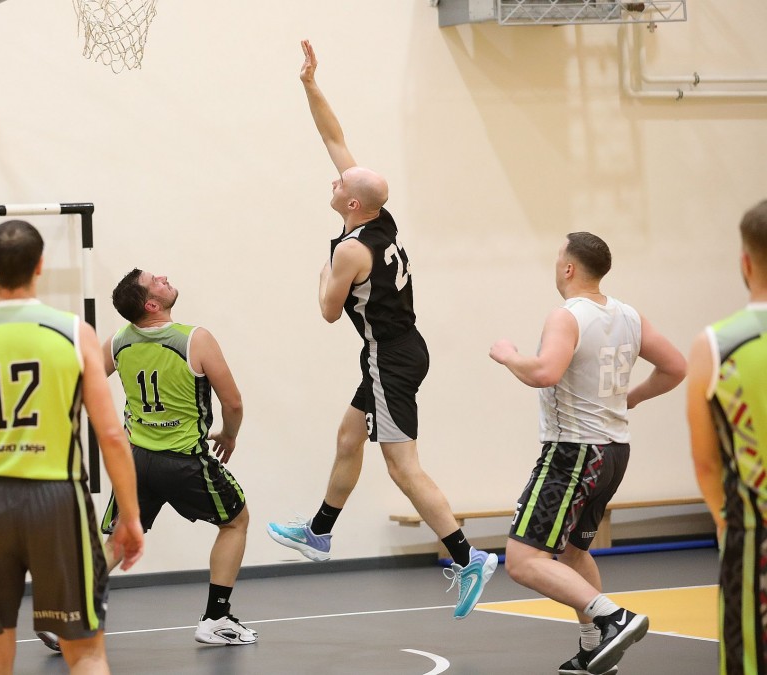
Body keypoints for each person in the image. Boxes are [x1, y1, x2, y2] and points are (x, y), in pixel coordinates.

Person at [265, 40, 499, 621]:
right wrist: (310, 84)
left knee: (402, 466)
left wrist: (323, 268)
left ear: (351, 202)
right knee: (350, 437)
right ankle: (319, 531)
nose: (332, 182)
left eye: (338, 185)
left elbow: (327, 312)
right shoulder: (378, 215)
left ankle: (469, 557)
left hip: (388, 357)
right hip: (399, 348)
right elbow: (335, 138)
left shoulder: (350, 250)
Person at [0, 220, 144, 675]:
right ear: (40, 265)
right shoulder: (74, 333)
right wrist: (130, 516)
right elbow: (110, 435)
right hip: (58, 498)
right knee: (86, 653)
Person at [490, 232, 686, 675]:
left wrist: (508, 355)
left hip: (573, 453)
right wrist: (631, 398)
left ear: (569, 268)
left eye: (557, 257)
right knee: (574, 554)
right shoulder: (629, 315)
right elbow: (676, 367)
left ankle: (614, 618)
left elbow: (544, 372)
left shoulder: (567, 316)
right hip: (613, 452)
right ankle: (593, 648)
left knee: (523, 561)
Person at [44, 269, 256, 648]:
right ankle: (216, 618)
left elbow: (81, 382)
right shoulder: (195, 339)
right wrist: (229, 434)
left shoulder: (120, 341)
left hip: (136, 460)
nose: (163, 276)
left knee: (120, 538)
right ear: (152, 305)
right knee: (236, 521)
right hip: (183, 460)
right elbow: (234, 403)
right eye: (155, 281)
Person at [687, 199, 767, 675]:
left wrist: (727, 520)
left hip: (754, 537)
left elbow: (706, 463)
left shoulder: (715, 345)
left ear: (745, 262)